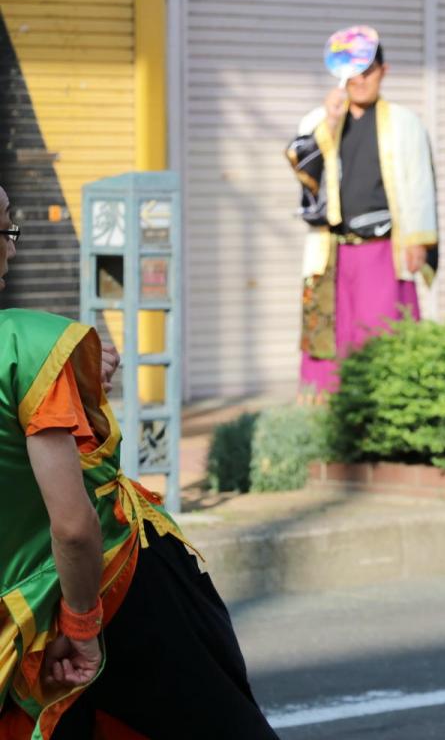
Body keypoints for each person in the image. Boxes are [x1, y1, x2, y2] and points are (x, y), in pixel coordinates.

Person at [0, 186, 277, 739]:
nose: (12, 250)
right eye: (5, 230)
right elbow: (74, 527)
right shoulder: (24, 346)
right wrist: (81, 624)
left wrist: (70, 386)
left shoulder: (33, 350)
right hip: (112, 584)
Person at [290, 33, 439, 394]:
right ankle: (327, 417)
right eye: (353, 72)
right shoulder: (317, 119)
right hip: (332, 249)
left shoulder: (406, 122)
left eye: (367, 70)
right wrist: (329, 122)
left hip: (384, 249)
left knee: (384, 334)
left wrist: (419, 240)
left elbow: (421, 183)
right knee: (330, 336)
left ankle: (386, 412)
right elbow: (303, 170)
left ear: (383, 71)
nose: (360, 80)